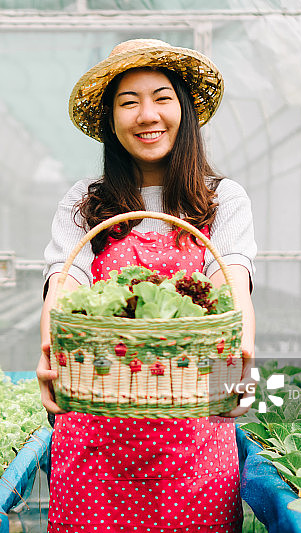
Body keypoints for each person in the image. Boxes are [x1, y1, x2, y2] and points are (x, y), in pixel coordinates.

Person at [37, 39, 257, 532]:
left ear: (184, 109)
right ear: (110, 120)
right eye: (128, 102)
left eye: (161, 97)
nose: (146, 115)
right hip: (97, 432)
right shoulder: (85, 200)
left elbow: (232, 280)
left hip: (192, 434)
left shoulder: (221, 199)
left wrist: (242, 353)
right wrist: (49, 346)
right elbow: (65, 279)